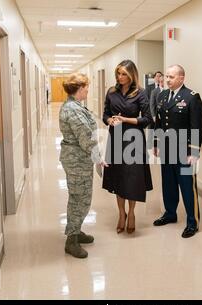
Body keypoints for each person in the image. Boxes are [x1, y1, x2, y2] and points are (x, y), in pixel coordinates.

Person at [153, 65, 202, 238]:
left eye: (171, 77)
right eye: (166, 76)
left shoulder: (191, 97)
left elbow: (197, 125)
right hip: (167, 148)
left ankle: (193, 222)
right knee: (168, 183)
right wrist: (156, 143)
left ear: (181, 78)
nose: (167, 80)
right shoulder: (162, 96)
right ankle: (170, 214)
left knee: (187, 186)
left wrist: (194, 151)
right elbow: (158, 122)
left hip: (185, 150)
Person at [59, 73, 107, 259]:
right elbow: (86, 138)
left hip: (79, 158)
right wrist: (98, 158)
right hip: (77, 160)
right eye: (86, 86)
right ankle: (71, 240)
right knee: (80, 198)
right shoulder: (73, 110)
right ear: (79, 88)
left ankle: (76, 230)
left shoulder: (76, 106)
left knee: (80, 196)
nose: (88, 89)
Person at [102, 60, 153, 234]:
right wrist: (110, 120)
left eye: (124, 74)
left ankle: (131, 213)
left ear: (132, 75)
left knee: (133, 179)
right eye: (118, 73)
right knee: (118, 177)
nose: (120, 77)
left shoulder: (141, 93)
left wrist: (125, 119)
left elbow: (147, 119)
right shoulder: (111, 92)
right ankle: (121, 214)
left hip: (134, 140)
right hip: (116, 139)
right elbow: (105, 114)